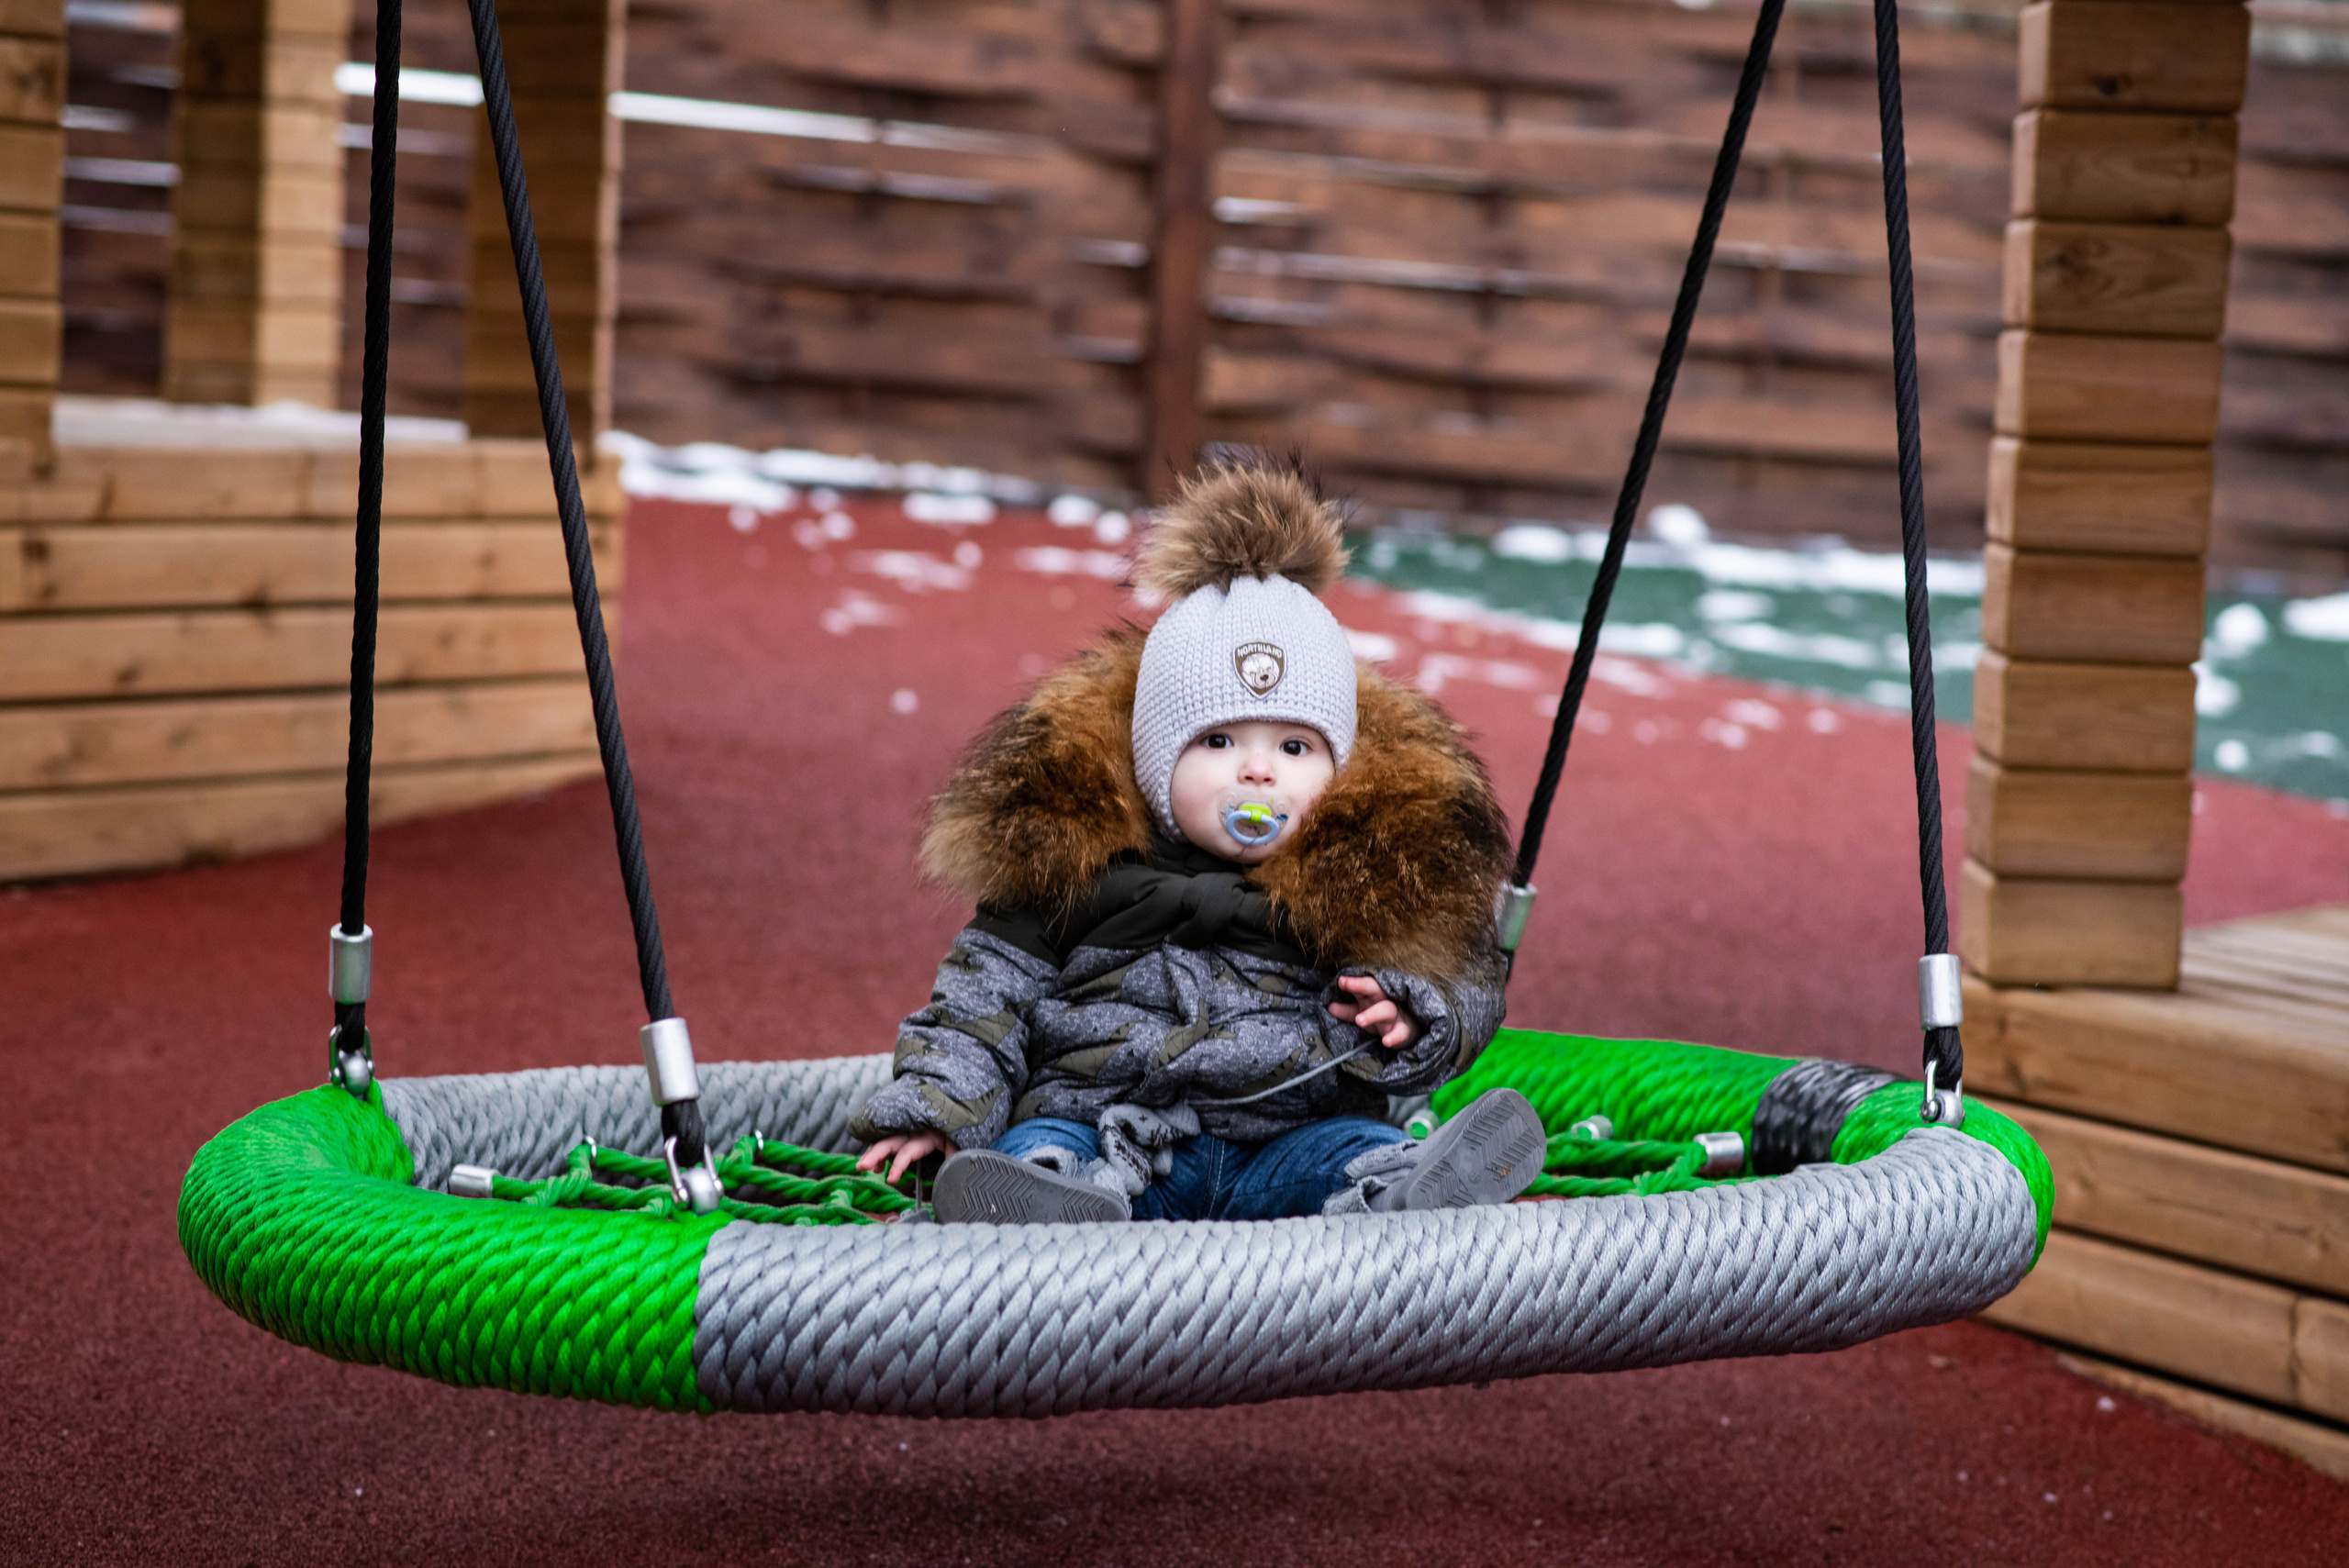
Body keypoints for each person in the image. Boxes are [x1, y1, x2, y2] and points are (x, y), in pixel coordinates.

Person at [850, 461, 1545, 1222]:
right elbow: (982, 1000)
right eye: (1216, 740)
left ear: (1339, 768)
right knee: (1042, 1142)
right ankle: (1046, 1201)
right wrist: (936, 1113)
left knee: (1347, 1148)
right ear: (1155, 759)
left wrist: (1417, 1013)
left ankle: (1396, 1187)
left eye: (1294, 748)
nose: (1256, 769)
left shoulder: (1367, 879)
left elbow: (1467, 977)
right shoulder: (1077, 868)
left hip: (1287, 1136)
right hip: (1108, 1131)